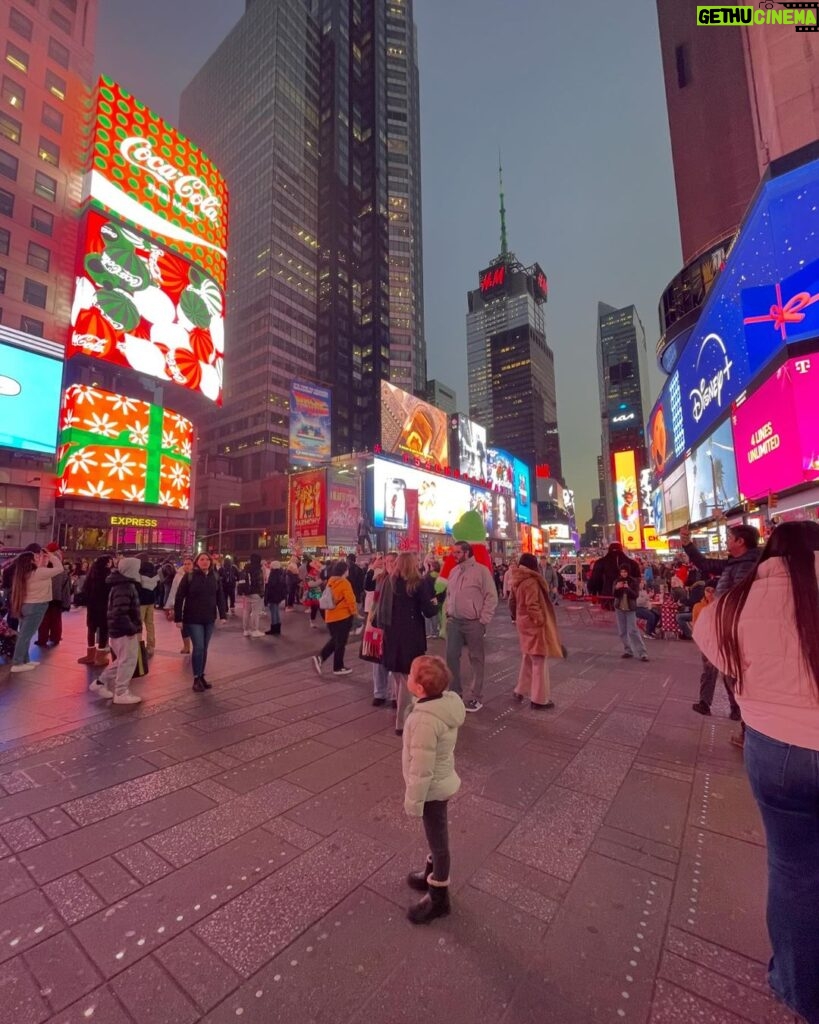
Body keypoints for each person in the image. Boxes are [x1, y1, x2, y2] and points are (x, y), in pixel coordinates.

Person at [693, 521, 819, 1023]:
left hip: (775, 751)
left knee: (792, 874)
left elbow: (706, 634)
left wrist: (749, 695)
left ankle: (799, 988)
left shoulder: (740, 600)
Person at [402, 654, 465, 924]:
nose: (407, 677)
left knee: (439, 842)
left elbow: (421, 768)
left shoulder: (425, 721)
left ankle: (439, 895)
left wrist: (413, 802)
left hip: (431, 790)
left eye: (410, 675)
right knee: (435, 836)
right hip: (440, 782)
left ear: (419, 688)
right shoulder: (440, 705)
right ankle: (431, 872)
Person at [375, 551, 439, 734]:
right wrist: (436, 601)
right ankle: (402, 722)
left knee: (397, 676)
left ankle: (400, 709)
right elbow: (429, 611)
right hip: (409, 635)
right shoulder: (417, 583)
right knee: (407, 678)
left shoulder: (389, 582)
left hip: (391, 633)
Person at [444, 540, 498, 712]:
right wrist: (448, 610)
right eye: (454, 552)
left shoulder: (481, 571)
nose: (454, 555)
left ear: (467, 552)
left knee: (476, 658)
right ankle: (454, 692)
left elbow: (491, 596)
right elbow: (449, 593)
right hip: (454, 621)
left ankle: (476, 696)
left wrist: (483, 620)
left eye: (458, 552)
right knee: (451, 656)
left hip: (473, 622)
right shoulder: (453, 571)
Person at [509, 553, 565, 709]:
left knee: (528, 656)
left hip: (522, 622)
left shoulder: (516, 579)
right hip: (534, 625)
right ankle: (539, 699)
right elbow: (533, 605)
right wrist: (540, 620)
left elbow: (511, 602)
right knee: (539, 660)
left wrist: (515, 616)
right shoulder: (531, 581)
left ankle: (520, 689)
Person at [87, 557, 144, 705]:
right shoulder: (125, 586)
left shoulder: (120, 584)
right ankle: (121, 692)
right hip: (124, 630)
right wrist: (132, 628)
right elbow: (120, 611)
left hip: (117, 629)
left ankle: (100, 683)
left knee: (121, 660)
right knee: (128, 661)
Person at [9, 547, 65, 672]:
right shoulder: (39, 573)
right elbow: (59, 568)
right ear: (31, 562)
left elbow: (43, 568)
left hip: (27, 606)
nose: (39, 558)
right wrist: (51, 556)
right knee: (25, 635)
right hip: (36, 606)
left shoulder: (26, 573)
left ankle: (24, 660)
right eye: (36, 557)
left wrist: (44, 560)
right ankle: (17, 663)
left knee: (24, 634)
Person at [690, 585, 741, 719]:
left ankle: (736, 708)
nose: (710, 594)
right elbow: (696, 625)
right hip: (708, 645)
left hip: (725, 645)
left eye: (713, 591)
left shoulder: (725, 606)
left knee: (729, 677)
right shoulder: (698, 607)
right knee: (708, 675)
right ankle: (704, 703)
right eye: (708, 590)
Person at [174, 552, 220, 692]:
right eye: (202, 559)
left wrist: (222, 614)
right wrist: (178, 618)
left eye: (207, 560)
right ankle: (196, 678)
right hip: (193, 618)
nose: (205, 562)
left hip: (209, 618)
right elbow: (179, 597)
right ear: (197, 562)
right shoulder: (189, 577)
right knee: (199, 647)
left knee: (204, 648)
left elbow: (220, 595)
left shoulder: (215, 576)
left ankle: (201, 676)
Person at [680, 523, 761, 596]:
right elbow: (704, 564)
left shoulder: (747, 566)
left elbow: (739, 597)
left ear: (740, 541)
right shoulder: (734, 563)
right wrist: (687, 544)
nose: (726, 541)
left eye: (729, 537)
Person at [311, 559, 357, 676]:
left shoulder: (330, 582)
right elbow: (350, 600)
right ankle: (337, 667)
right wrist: (355, 613)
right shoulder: (345, 583)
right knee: (340, 643)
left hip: (330, 617)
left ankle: (320, 659)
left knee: (335, 641)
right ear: (345, 571)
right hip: (343, 617)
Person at [364, 552, 396, 704]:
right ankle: (379, 693)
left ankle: (396, 695)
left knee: (395, 660)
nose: (388, 564)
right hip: (377, 621)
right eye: (386, 561)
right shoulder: (380, 577)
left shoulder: (401, 579)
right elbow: (367, 586)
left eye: (392, 561)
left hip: (394, 623)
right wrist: (372, 567)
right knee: (377, 659)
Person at [77, 555, 114, 666]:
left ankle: (90, 655)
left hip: (92, 607)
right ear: (107, 563)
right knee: (103, 630)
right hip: (104, 607)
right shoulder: (109, 575)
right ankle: (100, 657)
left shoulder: (91, 575)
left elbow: (85, 591)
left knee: (91, 629)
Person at [35, 542, 71, 647]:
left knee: (44, 620)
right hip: (57, 598)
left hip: (44, 598)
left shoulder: (44, 569)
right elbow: (66, 588)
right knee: (56, 619)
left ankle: (42, 639)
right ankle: (56, 638)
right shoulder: (62, 571)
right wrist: (66, 602)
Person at [612, 564, 649, 662]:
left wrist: (627, 588)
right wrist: (617, 588)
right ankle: (628, 650)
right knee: (622, 631)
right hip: (619, 608)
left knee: (633, 631)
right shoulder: (617, 581)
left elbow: (635, 595)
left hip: (630, 609)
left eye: (625, 572)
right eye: (622, 572)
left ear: (628, 572)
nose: (623, 574)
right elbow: (614, 595)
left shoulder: (633, 581)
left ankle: (642, 653)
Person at [588, 542, 641, 608]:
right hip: (627, 598)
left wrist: (594, 592)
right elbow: (637, 580)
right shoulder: (633, 563)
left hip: (607, 598)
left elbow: (595, 580)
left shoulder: (600, 562)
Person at [166, 556, 194, 653]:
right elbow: (174, 591)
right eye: (185, 564)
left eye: (189, 564)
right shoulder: (178, 575)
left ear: (193, 564)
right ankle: (186, 646)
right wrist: (170, 606)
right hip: (181, 605)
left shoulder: (196, 575)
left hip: (194, 605)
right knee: (184, 627)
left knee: (194, 626)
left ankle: (196, 646)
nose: (186, 566)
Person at [136, 555, 160, 656]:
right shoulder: (155, 576)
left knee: (138, 625)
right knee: (150, 624)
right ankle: (151, 647)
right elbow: (158, 589)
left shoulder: (139, 575)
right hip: (151, 602)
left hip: (141, 603)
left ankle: (138, 646)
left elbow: (136, 589)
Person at [240, 554, 265, 637]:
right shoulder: (258, 569)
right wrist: (262, 593)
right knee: (255, 612)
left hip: (247, 592)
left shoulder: (246, 568)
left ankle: (246, 630)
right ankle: (254, 630)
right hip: (256, 592)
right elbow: (260, 582)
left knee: (246, 611)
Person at [263, 560, 287, 635]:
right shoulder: (281, 573)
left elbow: (271, 585)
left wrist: (267, 585)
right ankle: (277, 628)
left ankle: (274, 628)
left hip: (273, 595)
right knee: (276, 611)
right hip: (278, 595)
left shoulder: (273, 573)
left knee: (273, 611)